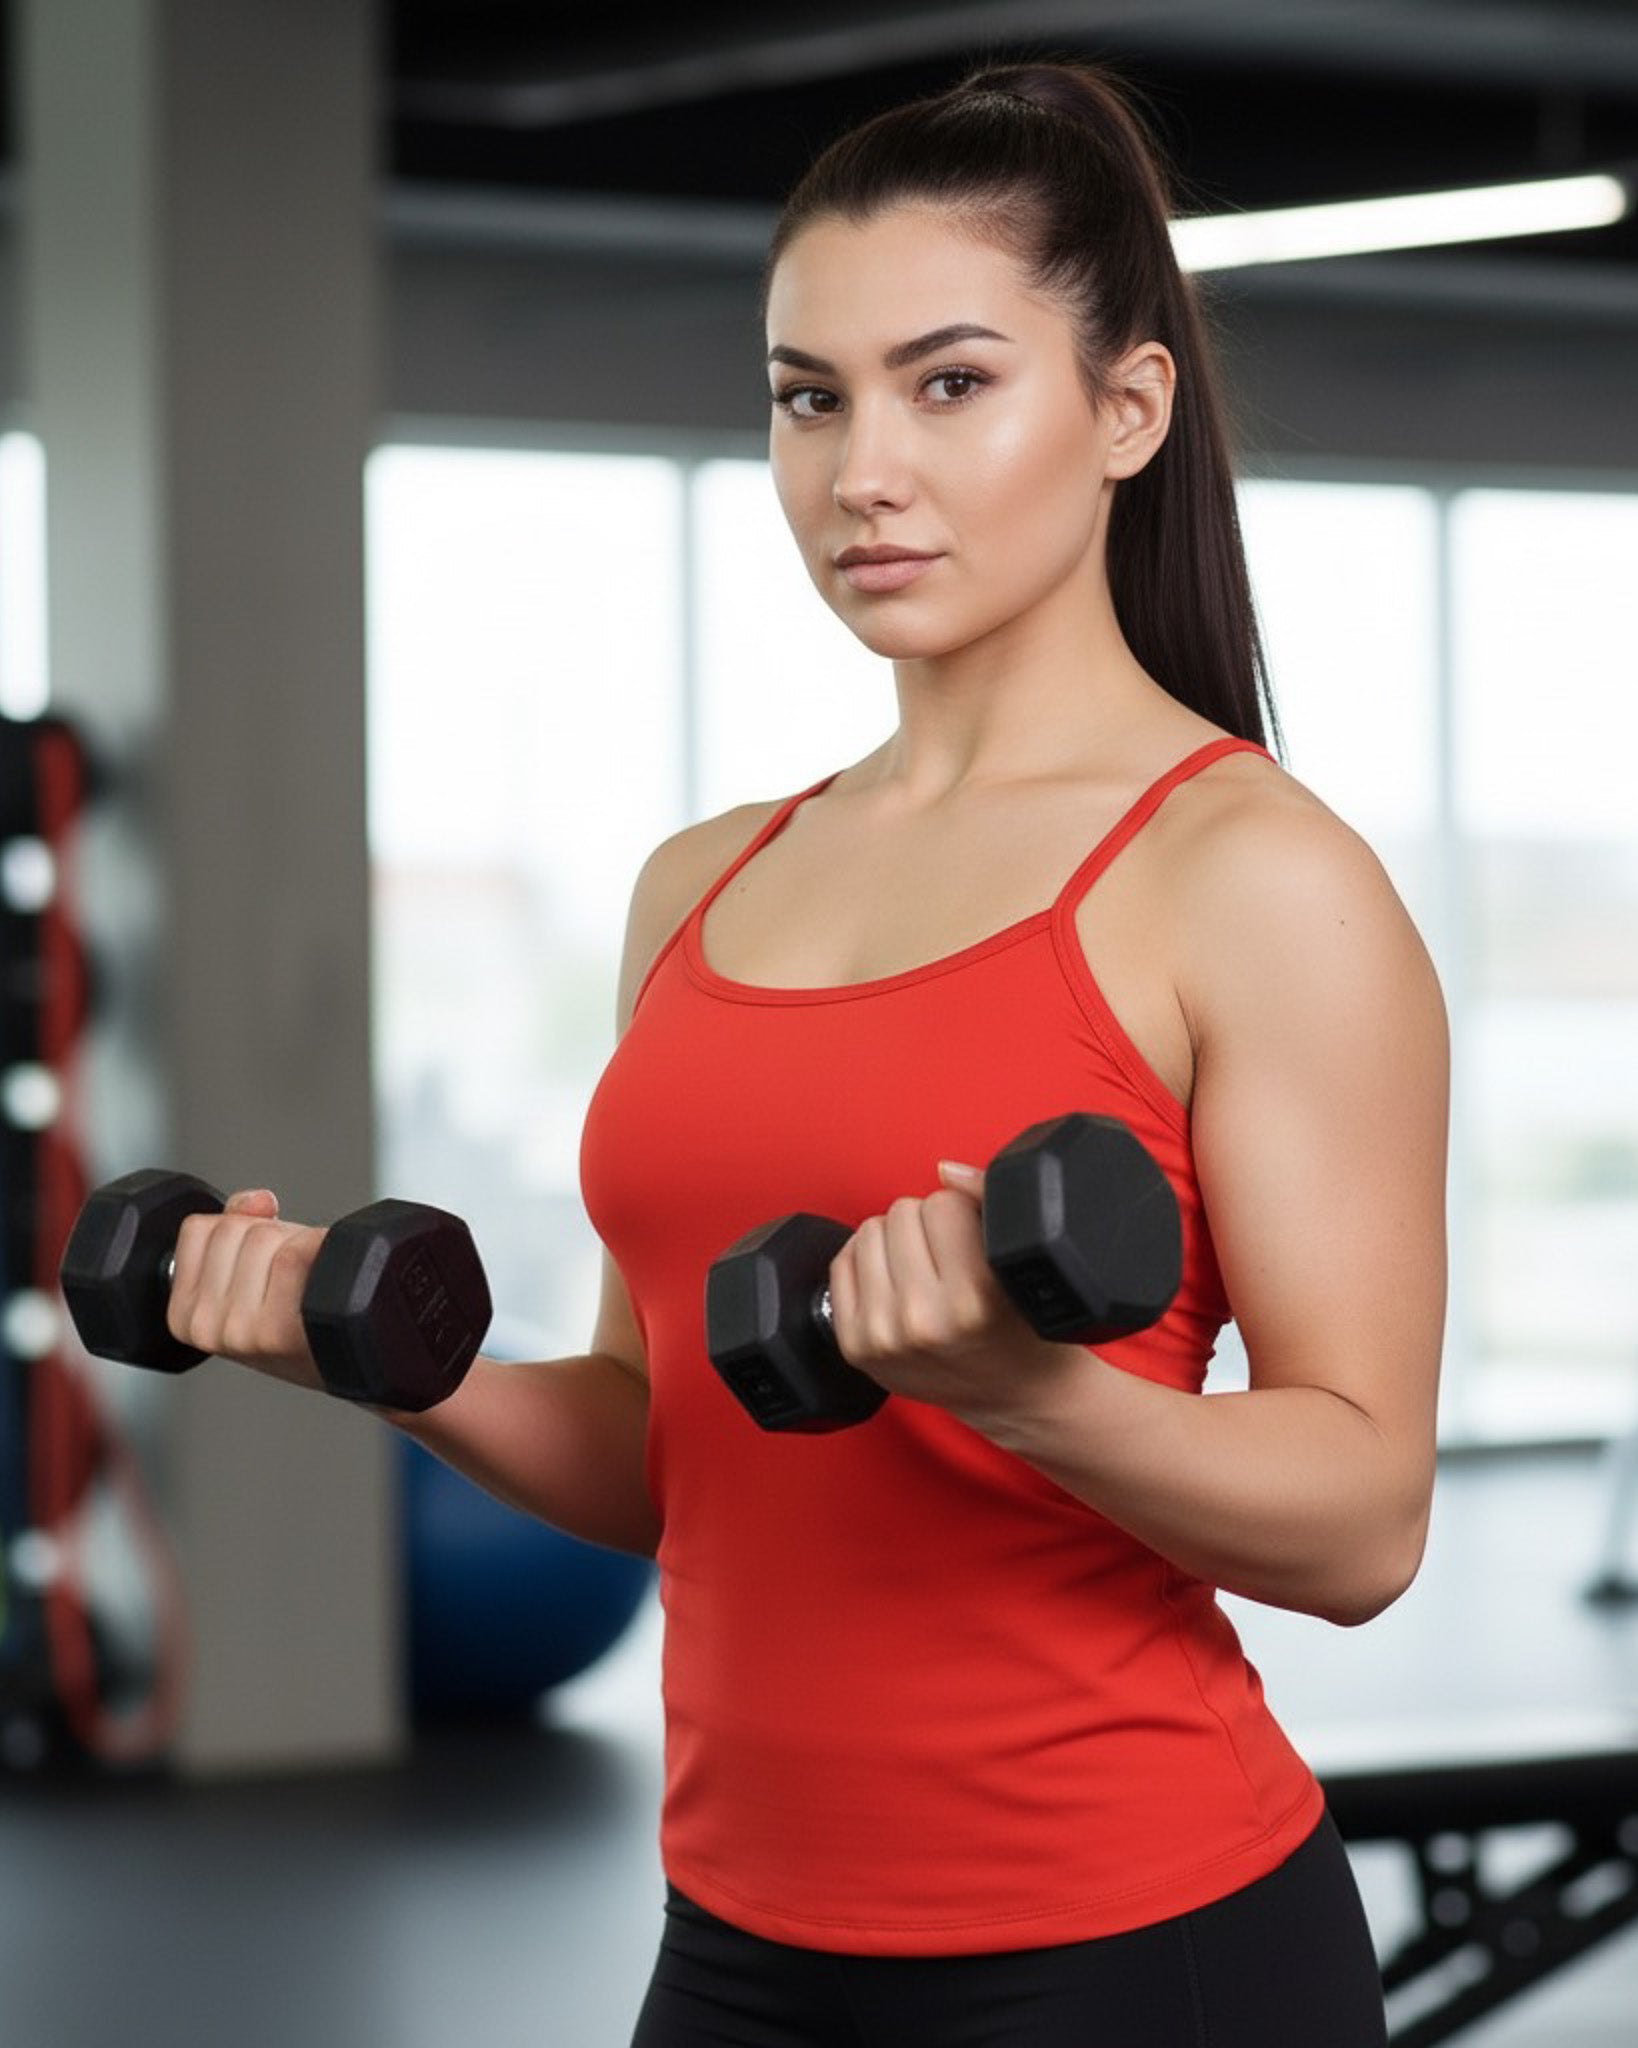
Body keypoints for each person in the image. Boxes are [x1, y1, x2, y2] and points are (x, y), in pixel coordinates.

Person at [165, 57, 1449, 2048]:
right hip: (740, 1954)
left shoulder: (1252, 877)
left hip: (1136, 1952)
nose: (863, 467)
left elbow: (1366, 1522)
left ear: (1128, 410)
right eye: (807, 392)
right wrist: (388, 1361)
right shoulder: (701, 882)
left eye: (949, 382)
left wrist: (1040, 1398)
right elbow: (665, 1437)